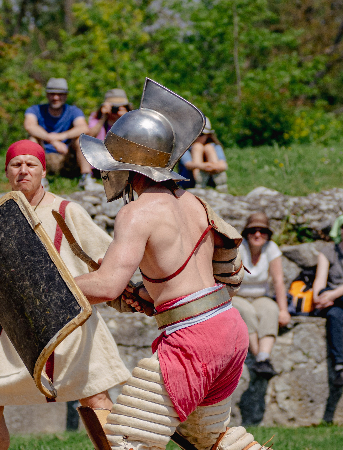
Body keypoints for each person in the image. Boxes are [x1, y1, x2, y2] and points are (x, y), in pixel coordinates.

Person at [75, 79, 269, 450]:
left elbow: (106, 286)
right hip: (228, 330)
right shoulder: (194, 203)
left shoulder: (137, 213)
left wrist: (46, 282)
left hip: (193, 340)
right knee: (211, 441)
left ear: (130, 165)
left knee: (127, 441)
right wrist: (148, 294)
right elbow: (193, 271)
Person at [0, 140, 130, 450]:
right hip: (15, 328)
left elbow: (106, 259)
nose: (23, 170)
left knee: (96, 398)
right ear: (7, 172)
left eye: (30, 164)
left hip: (70, 325)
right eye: (16, 164)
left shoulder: (66, 210)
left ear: (43, 171)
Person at [231, 212, 289, 379]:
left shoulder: (271, 248)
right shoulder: (237, 249)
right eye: (253, 231)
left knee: (271, 310)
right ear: (246, 233)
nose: (257, 235)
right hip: (237, 295)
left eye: (262, 231)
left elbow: (278, 281)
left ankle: (263, 358)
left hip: (261, 295)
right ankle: (261, 359)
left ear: (268, 234)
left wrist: (284, 310)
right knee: (247, 313)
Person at [23, 78, 96, 188]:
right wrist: (52, 140)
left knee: (82, 138)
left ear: (66, 96)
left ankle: (86, 178)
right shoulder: (35, 110)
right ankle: (39, 180)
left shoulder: (73, 111)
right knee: (32, 139)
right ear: (47, 95)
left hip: (68, 157)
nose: (56, 97)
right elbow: (29, 125)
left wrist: (61, 136)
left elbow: (83, 128)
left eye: (60, 94)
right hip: (44, 157)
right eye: (52, 94)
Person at [312, 214, 343, 386]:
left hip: (334, 297)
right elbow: (320, 278)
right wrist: (318, 297)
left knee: (335, 310)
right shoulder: (328, 252)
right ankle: (340, 367)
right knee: (334, 315)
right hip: (332, 301)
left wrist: (333, 295)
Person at [178, 118, 228, 191]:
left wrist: (212, 166)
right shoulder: (184, 148)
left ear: (208, 135)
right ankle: (199, 180)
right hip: (189, 180)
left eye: (201, 134)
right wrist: (203, 166)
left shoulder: (215, 147)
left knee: (209, 148)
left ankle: (217, 179)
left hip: (210, 175)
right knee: (197, 147)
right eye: (195, 133)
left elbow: (223, 165)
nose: (197, 137)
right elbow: (188, 164)